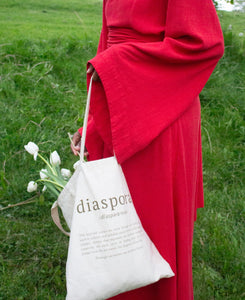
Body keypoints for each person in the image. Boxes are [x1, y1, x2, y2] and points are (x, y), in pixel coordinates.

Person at [71, 0, 224, 299]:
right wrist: (90, 123)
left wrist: (117, 66)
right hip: (118, 102)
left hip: (161, 108)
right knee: (112, 226)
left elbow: (202, 44)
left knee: (153, 231)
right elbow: (107, 46)